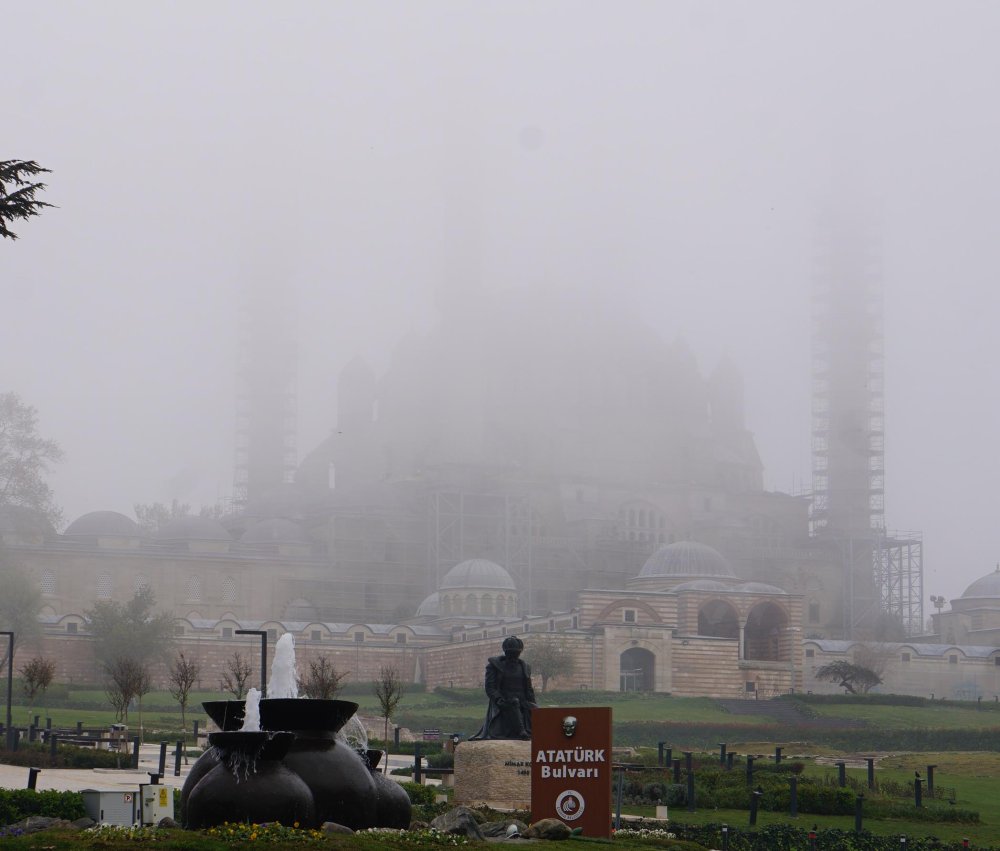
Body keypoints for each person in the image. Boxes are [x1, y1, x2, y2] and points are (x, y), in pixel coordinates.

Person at [470, 636, 537, 740]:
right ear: (506, 652)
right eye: (511, 653)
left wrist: (533, 703)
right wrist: (498, 699)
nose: (513, 657)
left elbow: (529, 689)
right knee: (514, 703)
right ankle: (521, 732)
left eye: (516, 653)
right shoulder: (494, 666)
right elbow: (490, 687)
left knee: (537, 710)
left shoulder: (525, 667)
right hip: (504, 701)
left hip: (523, 701)